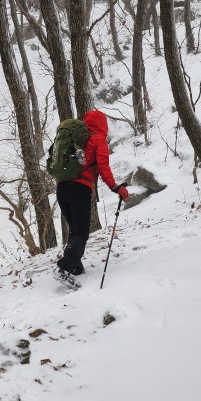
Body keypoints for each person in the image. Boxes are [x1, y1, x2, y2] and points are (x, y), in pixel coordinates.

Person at [54, 109, 128, 286]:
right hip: (79, 189)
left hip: (61, 188)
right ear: (103, 124)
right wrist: (115, 187)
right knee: (81, 231)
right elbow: (102, 166)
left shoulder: (73, 139)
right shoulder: (98, 139)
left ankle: (76, 267)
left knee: (75, 229)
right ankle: (64, 268)